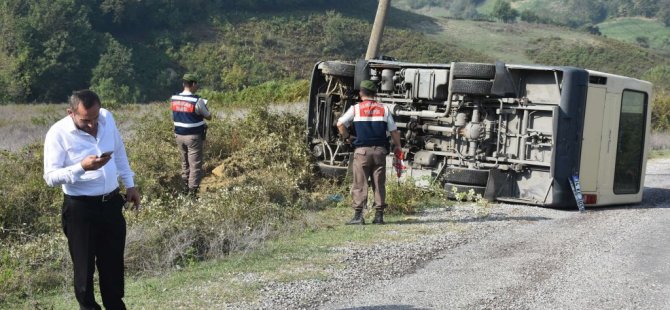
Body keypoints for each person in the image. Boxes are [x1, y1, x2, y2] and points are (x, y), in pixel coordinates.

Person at [43, 90, 141, 310]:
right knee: (84, 270)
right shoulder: (58, 133)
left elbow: (119, 150)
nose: (92, 125)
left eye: (95, 118)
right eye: (85, 120)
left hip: (111, 203)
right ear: (71, 113)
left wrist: (130, 184)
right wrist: (81, 168)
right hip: (80, 209)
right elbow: (50, 177)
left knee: (113, 266)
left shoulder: (107, 118)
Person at [336, 80, 402, 225]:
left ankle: (359, 216)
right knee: (379, 184)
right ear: (375, 94)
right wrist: (398, 147)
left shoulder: (356, 109)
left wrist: (348, 138)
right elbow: (394, 131)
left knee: (360, 183)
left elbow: (340, 124)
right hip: (380, 152)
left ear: (361, 93)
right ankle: (379, 217)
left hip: (362, 153)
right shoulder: (384, 109)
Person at [170, 73, 212, 196]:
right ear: (193, 84)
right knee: (195, 164)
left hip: (179, 135)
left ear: (184, 84)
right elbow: (209, 116)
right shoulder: (197, 101)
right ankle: (192, 192)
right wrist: (205, 107)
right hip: (193, 137)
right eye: (196, 84)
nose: (197, 86)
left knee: (185, 163)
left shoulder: (174, 98)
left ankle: (184, 188)